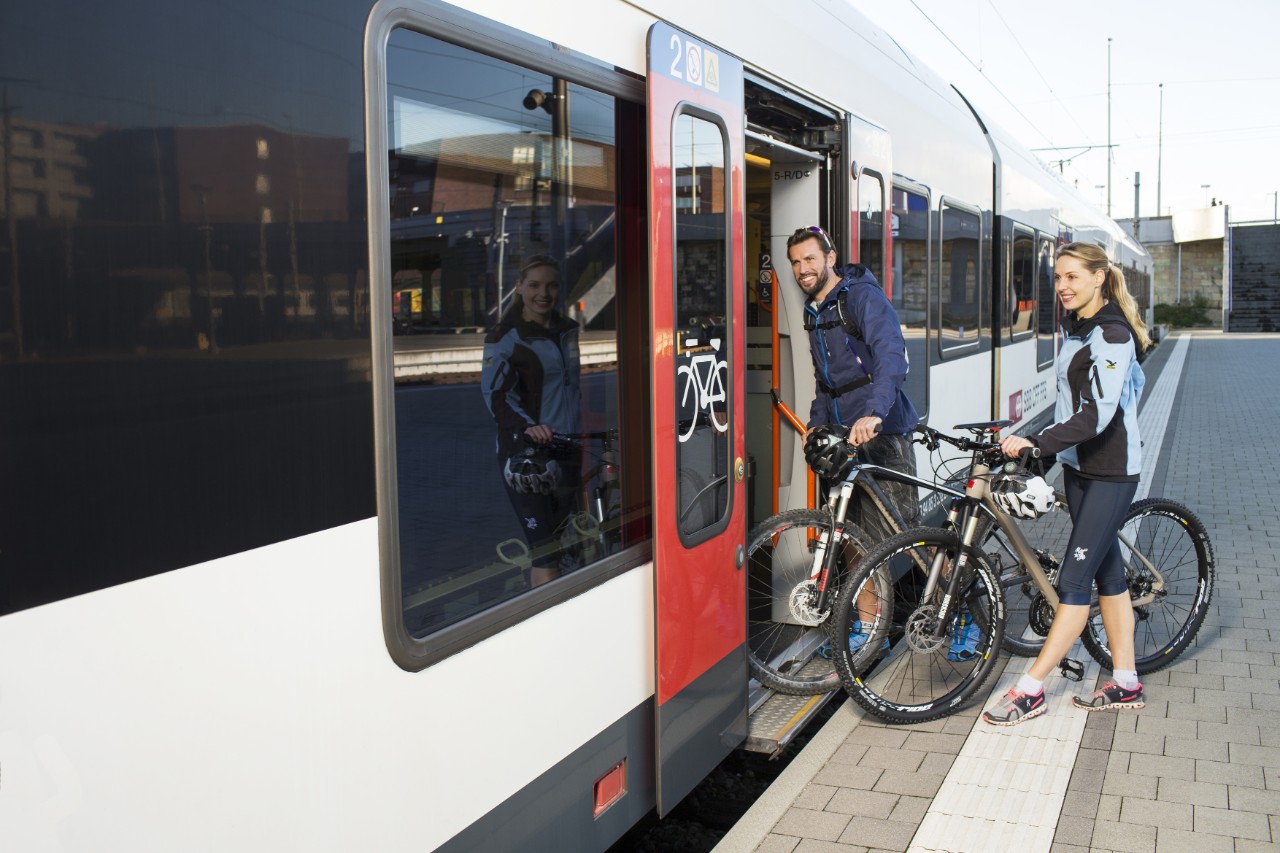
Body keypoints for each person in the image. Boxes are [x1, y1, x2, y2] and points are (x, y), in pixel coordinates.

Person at [982, 241, 1151, 726]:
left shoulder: (1112, 335)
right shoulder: (1076, 329)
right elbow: (1067, 405)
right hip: (1078, 470)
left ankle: (1031, 690)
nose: (1062, 286)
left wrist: (1037, 443)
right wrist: (1035, 447)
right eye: (1058, 278)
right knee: (1109, 577)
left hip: (1111, 473)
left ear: (1099, 277)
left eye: (1073, 276)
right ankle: (1126, 682)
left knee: (1074, 582)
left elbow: (1097, 414)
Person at [786, 226, 923, 655]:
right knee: (850, 538)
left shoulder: (861, 298)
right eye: (795, 262)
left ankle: (959, 616)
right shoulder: (814, 311)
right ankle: (869, 630)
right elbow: (825, 383)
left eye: (810, 259)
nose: (803, 269)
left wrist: (874, 413)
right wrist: (816, 425)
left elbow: (892, 358)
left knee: (906, 535)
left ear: (830, 258)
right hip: (844, 440)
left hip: (883, 433)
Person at [482, 255, 582, 587]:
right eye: (534, 285)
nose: (544, 293)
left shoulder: (567, 330)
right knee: (545, 551)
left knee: (558, 538)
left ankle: (545, 597)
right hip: (528, 456)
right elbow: (495, 395)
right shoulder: (505, 336)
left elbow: (571, 389)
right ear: (519, 287)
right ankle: (546, 611)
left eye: (552, 285)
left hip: (567, 445)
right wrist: (527, 427)